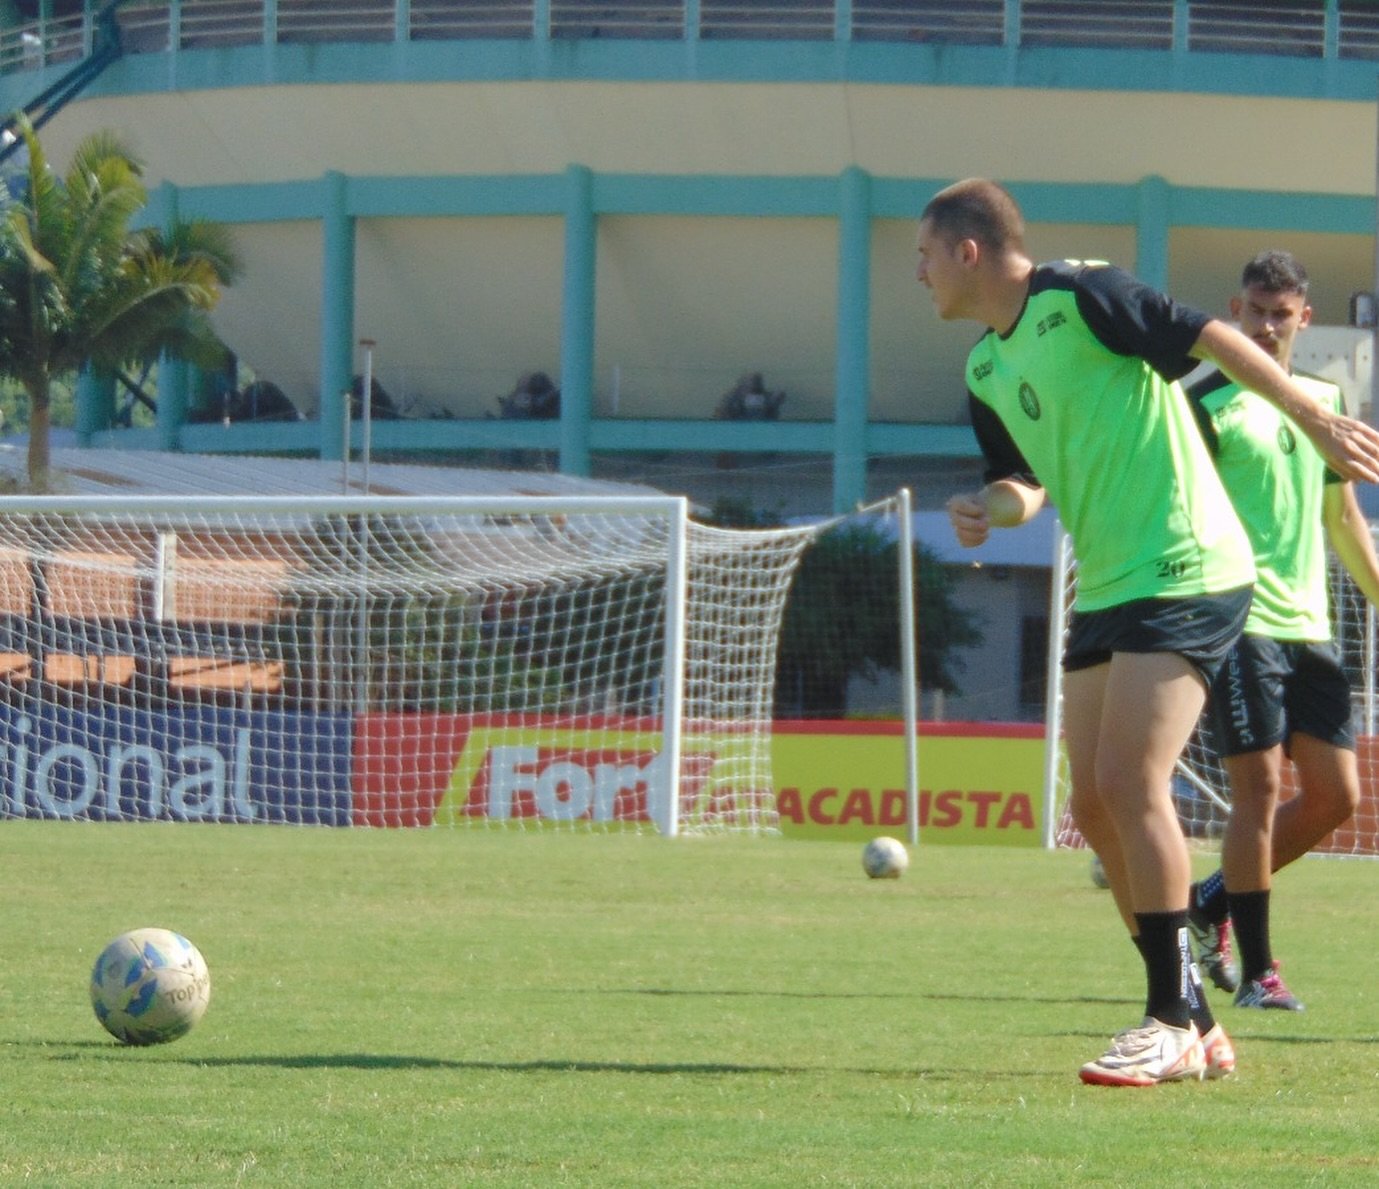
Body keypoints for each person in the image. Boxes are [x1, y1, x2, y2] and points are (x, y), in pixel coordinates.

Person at [920, 179, 1379, 1087]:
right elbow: (1025, 480)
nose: (918, 275)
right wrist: (990, 506)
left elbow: (1206, 333)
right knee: (1092, 803)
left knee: (1131, 779)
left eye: (923, 257)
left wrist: (1312, 413)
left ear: (968, 251)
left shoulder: (1080, 293)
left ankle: (1167, 1018)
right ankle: (1196, 1017)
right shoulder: (983, 370)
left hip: (1188, 560)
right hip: (1108, 581)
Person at [1184, 250, 1379, 1011]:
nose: (1266, 326)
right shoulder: (1203, 401)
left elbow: (1344, 519)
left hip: (1311, 627)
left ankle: (1210, 900)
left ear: (1303, 317)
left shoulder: (1324, 402)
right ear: (1233, 312)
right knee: (1258, 789)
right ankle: (1260, 973)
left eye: (1281, 312)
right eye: (1255, 311)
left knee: (1336, 799)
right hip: (1238, 621)